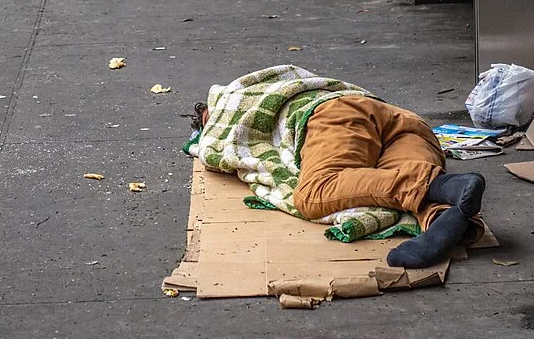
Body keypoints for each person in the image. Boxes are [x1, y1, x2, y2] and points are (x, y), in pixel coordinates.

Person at [189, 65, 486, 269]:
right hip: (403, 121)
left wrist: (207, 131)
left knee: (313, 193)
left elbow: (220, 146)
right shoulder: (292, 81)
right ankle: (442, 220)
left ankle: (438, 186)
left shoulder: (232, 100)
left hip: (337, 117)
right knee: (401, 177)